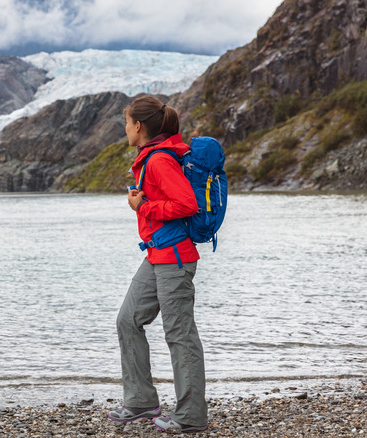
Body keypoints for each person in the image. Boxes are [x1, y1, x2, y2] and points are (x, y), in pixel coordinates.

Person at [106, 95, 208, 433]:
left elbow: (187, 204)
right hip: (157, 255)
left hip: (174, 259)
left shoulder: (160, 160)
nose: (125, 129)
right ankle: (140, 401)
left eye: (126, 123)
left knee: (180, 335)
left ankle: (190, 416)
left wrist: (143, 208)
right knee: (128, 319)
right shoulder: (150, 158)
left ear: (138, 126)